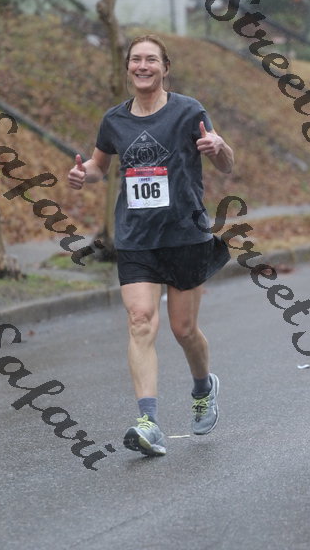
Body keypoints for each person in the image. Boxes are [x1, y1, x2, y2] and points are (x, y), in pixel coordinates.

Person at [68, 34, 234, 457]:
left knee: (183, 330)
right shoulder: (114, 120)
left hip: (184, 234)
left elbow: (225, 163)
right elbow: (99, 165)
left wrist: (218, 147)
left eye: (151, 60)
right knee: (140, 320)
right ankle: (149, 422)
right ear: (128, 67)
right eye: (136, 59)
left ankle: (203, 388)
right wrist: (83, 174)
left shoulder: (189, 111)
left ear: (165, 67)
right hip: (136, 237)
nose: (142, 66)